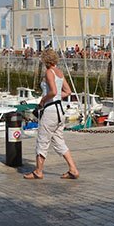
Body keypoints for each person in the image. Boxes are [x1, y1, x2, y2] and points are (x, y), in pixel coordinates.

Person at [24, 49, 81, 180]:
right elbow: (68, 91)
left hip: (50, 111)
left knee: (42, 140)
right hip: (60, 110)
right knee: (59, 141)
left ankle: (38, 171)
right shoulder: (59, 73)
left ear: (45, 60)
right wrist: (57, 99)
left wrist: (43, 100)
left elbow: (54, 91)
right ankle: (73, 169)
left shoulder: (49, 72)